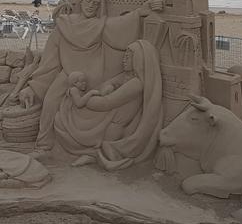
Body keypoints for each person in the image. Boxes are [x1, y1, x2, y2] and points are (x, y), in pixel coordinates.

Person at [17, 0, 163, 152]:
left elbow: (121, 25)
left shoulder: (101, 25)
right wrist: (33, 88)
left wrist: (139, 12)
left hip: (93, 76)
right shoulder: (64, 25)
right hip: (67, 73)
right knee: (50, 101)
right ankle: (43, 146)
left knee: (93, 107)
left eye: (96, 4)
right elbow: (49, 61)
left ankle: (89, 145)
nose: (91, 6)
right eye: (88, 1)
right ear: (81, 2)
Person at [53, 40, 163, 171]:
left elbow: (106, 103)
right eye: (124, 57)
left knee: (65, 121)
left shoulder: (136, 83)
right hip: (105, 116)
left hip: (114, 121)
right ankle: (93, 155)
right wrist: (109, 87)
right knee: (64, 116)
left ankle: (99, 156)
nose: (124, 60)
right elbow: (106, 86)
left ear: (138, 60)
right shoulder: (126, 76)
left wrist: (84, 99)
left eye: (128, 57)